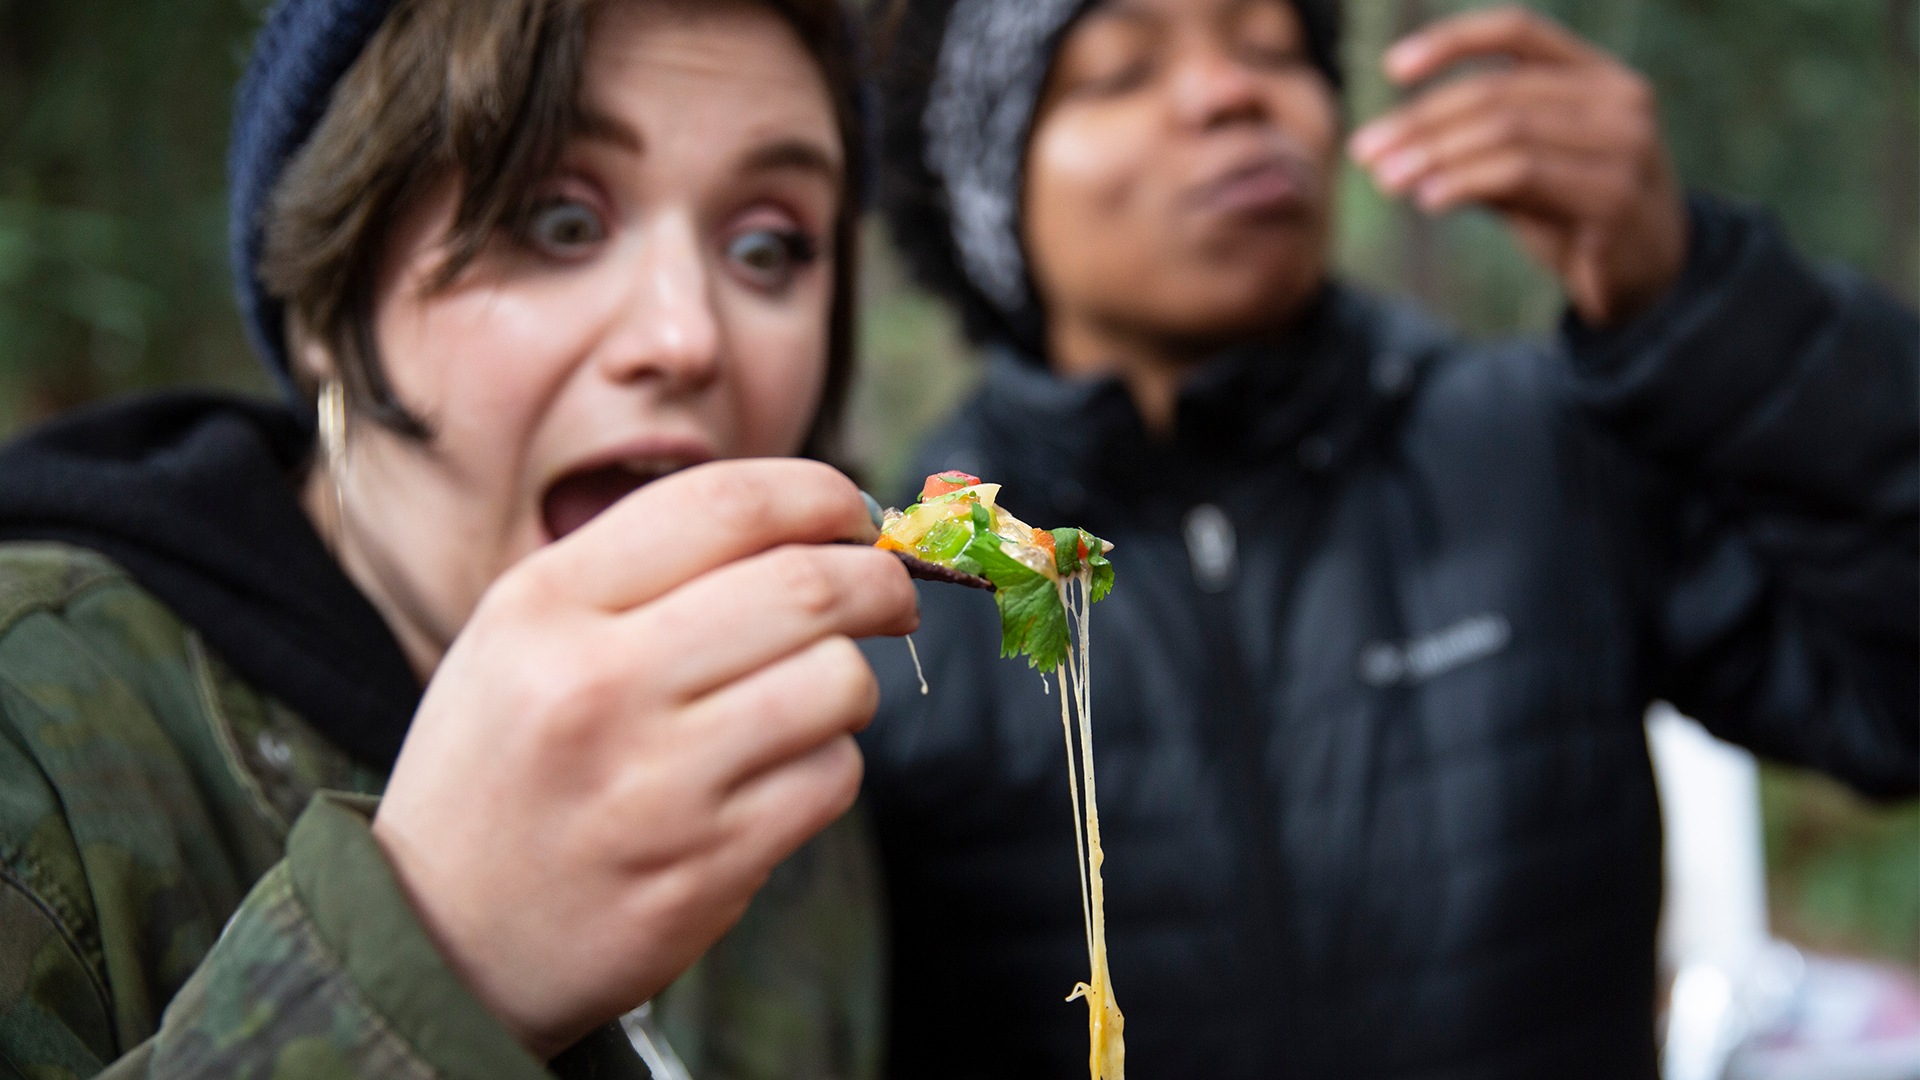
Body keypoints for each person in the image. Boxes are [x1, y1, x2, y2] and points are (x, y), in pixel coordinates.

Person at [858, 1, 1919, 1076]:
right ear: (987, 188)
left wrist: (1702, 302)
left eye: (1273, 49)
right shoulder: (907, 599)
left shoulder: (1535, 452)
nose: (1233, 92)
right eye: (1121, 72)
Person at [0, 0, 919, 1076]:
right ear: (326, 300)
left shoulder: (800, 774)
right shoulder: (33, 751)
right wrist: (432, 959)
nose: (688, 336)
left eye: (767, 248)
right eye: (559, 221)